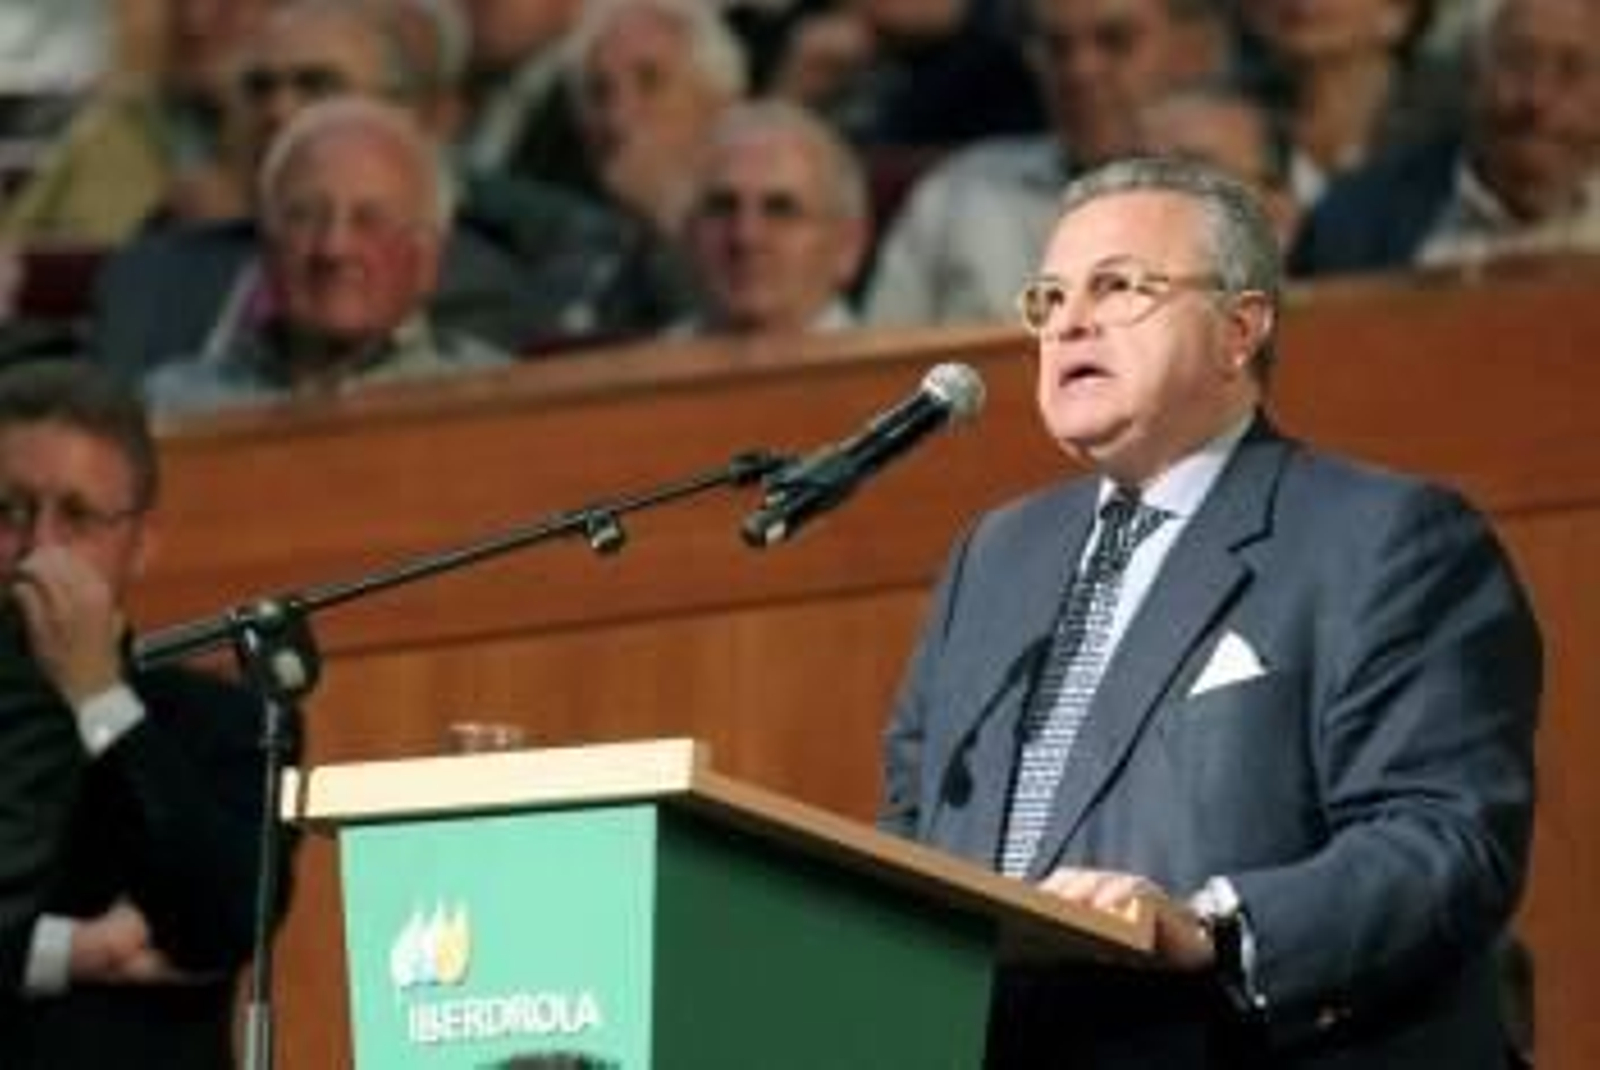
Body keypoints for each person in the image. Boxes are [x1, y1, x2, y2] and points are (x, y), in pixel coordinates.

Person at [879, 156, 1541, 1067]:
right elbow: (914, 829)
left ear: (1239, 329)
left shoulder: (1384, 539)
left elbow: (1445, 839)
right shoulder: (994, 557)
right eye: (1050, 298)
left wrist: (1209, 923)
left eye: (1118, 287)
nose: (1069, 320)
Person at [0, 357, 299, 1068]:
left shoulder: (225, 724)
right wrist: (72, 953)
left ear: (141, 544)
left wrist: (99, 698)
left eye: (77, 516)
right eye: (9, 511)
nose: (40, 547)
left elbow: (223, 922)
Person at [863, 0, 1226, 327]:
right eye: (1056, 47)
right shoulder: (958, 193)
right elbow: (871, 373)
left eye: (1115, 41)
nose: (1080, 70)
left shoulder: (1250, 186)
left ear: (1197, 49)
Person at [145, 97, 511, 414]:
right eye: (304, 217)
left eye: (369, 220)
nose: (333, 248)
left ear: (428, 257)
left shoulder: (496, 401)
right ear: (266, 242)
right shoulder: (171, 404)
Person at [1290, 0, 1600, 276]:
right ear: (1471, 75)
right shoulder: (1354, 222)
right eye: (1516, 63)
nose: (1537, 98)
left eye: (1571, 70)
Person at [674, 99, 869, 337]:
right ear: (687, 233)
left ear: (847, 246)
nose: (746, 235)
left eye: (781, 210)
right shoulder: (640, 370)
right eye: (722, 207)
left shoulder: (899, 371)